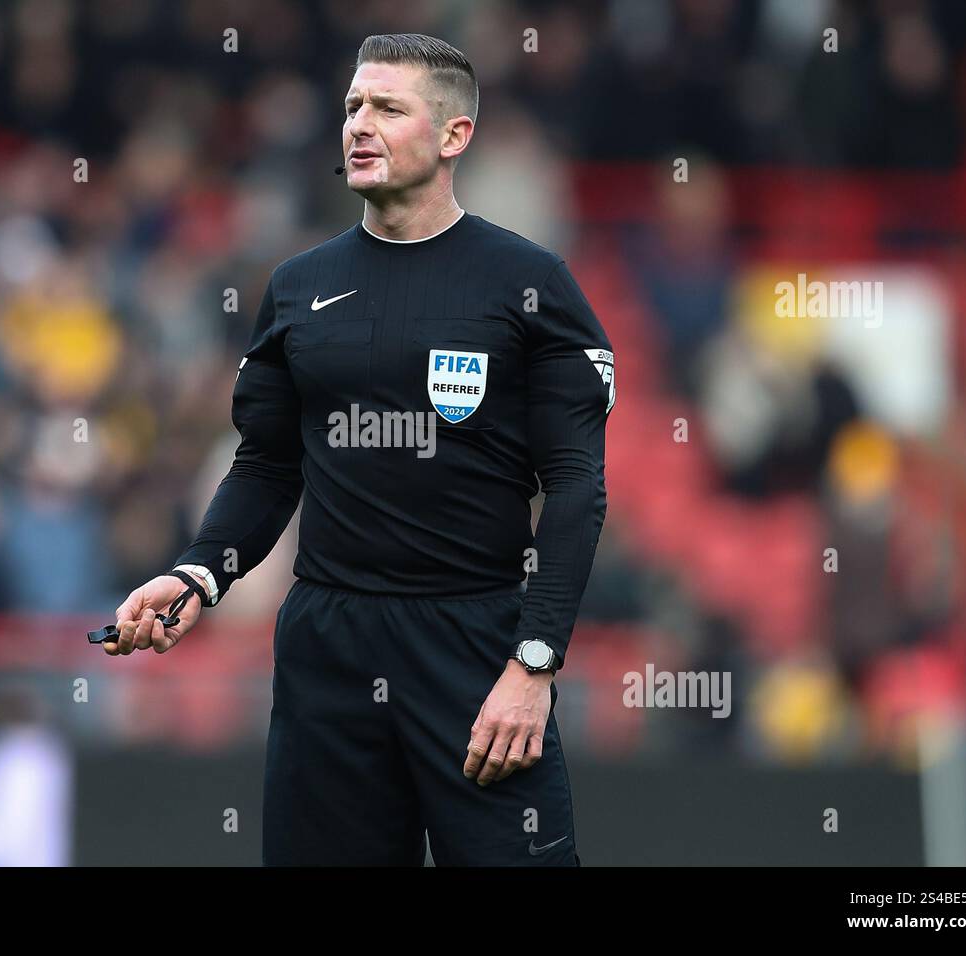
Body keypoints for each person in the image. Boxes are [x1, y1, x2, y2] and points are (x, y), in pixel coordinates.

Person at [107, 33, 614, 866]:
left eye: (387, 108)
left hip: (477, 647)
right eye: (351, 106)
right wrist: (203, 569)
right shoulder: (298, 287)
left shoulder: (530, 285)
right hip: (329, 647)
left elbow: (575, 488)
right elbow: (269, 464)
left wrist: (535, 663)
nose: (359, 126)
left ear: (454, 136)